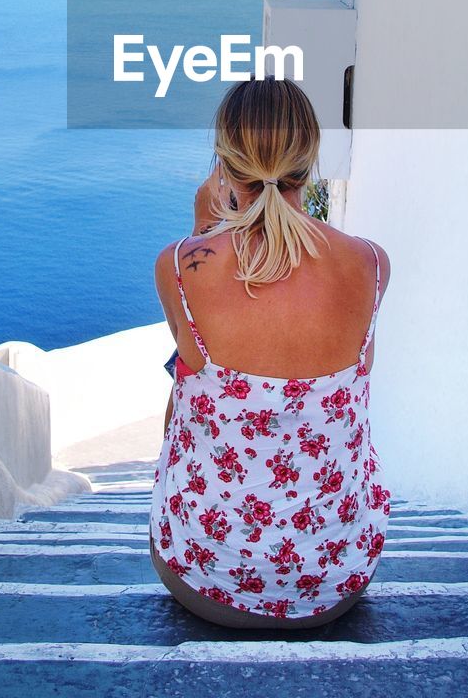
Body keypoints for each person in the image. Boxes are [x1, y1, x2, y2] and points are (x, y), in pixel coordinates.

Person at [149, 75, 391, 628]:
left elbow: (188, 374)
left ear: (225, 168)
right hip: (337, 581)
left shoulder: (180, 270)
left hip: (206, 579)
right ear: (310, 164)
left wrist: (202, 230)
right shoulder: (372, 266)